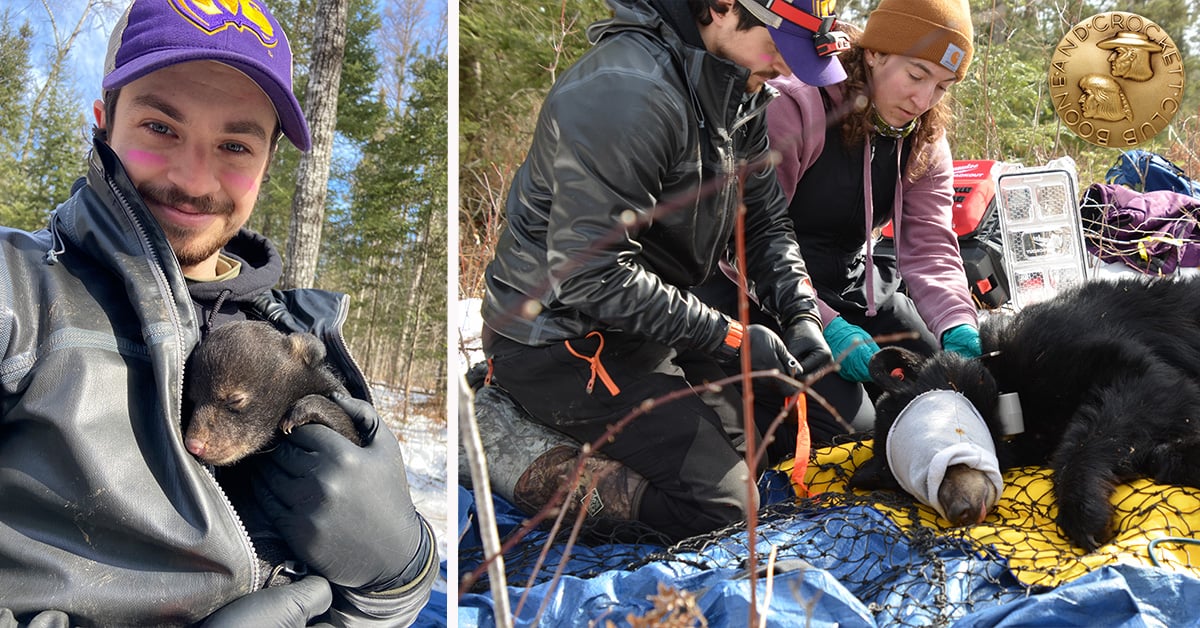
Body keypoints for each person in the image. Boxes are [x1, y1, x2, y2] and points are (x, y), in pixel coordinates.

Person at [0, 0, 436, 625]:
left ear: (265, 164)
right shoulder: (16, 295)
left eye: (234, 143)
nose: (195, 178)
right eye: (161, 128)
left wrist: (398, 574)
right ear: (103, 123)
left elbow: (376, 608)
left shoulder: (301, 335)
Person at [479, 0, 847, 542]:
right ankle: (506, 444)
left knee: (830, 422)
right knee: (725, 511)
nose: (786, 69)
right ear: (721, 8)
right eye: (779, 48)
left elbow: (764, 224)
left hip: (651, 321)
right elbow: (591, 276)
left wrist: (801, 316)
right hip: (561, 341)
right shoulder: (627, 93)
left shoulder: (735, 86)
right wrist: (733, 339)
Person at [698, 0, 982, 461]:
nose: (923, 100)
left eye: (942, 86)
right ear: (875, 53)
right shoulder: (795, 107)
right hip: (760, 291)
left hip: (852, 283)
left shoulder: (924, 136)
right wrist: (825, 326)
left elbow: (929, 245)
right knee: (858, 436)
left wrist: (958, 322)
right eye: (916, 75)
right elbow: (740, 243)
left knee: (946, 386)